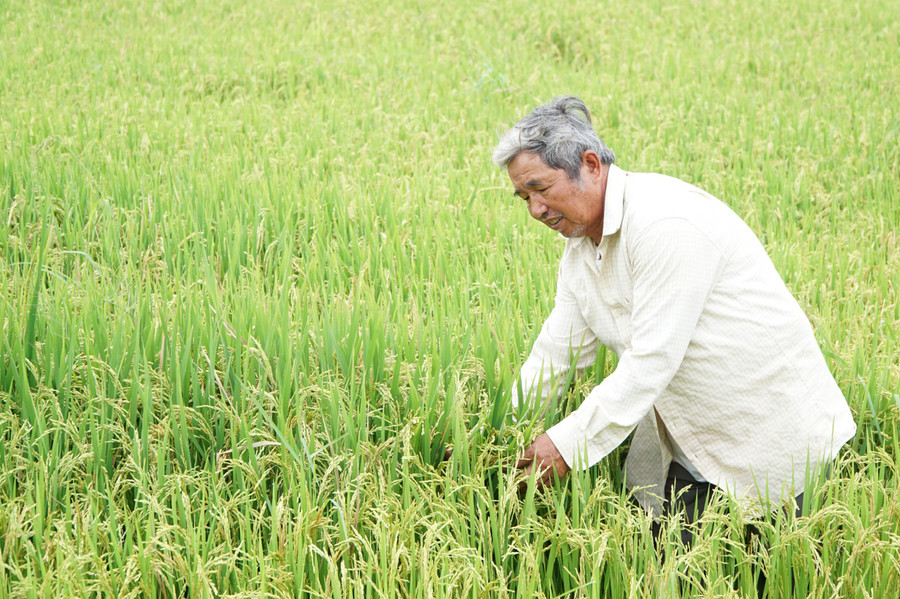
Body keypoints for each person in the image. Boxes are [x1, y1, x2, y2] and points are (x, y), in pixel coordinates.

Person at [492, 96, 856, 540]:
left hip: (770, 443)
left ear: (590, 164)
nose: (535, 210)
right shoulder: (579, 253)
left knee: (772, 572)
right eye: (524, 197)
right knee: (671, 568)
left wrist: (564, 447)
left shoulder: (665, 224)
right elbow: (555, 357)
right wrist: (495, 434)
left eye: (542, 189)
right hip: (690, 446)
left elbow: (650, 362)